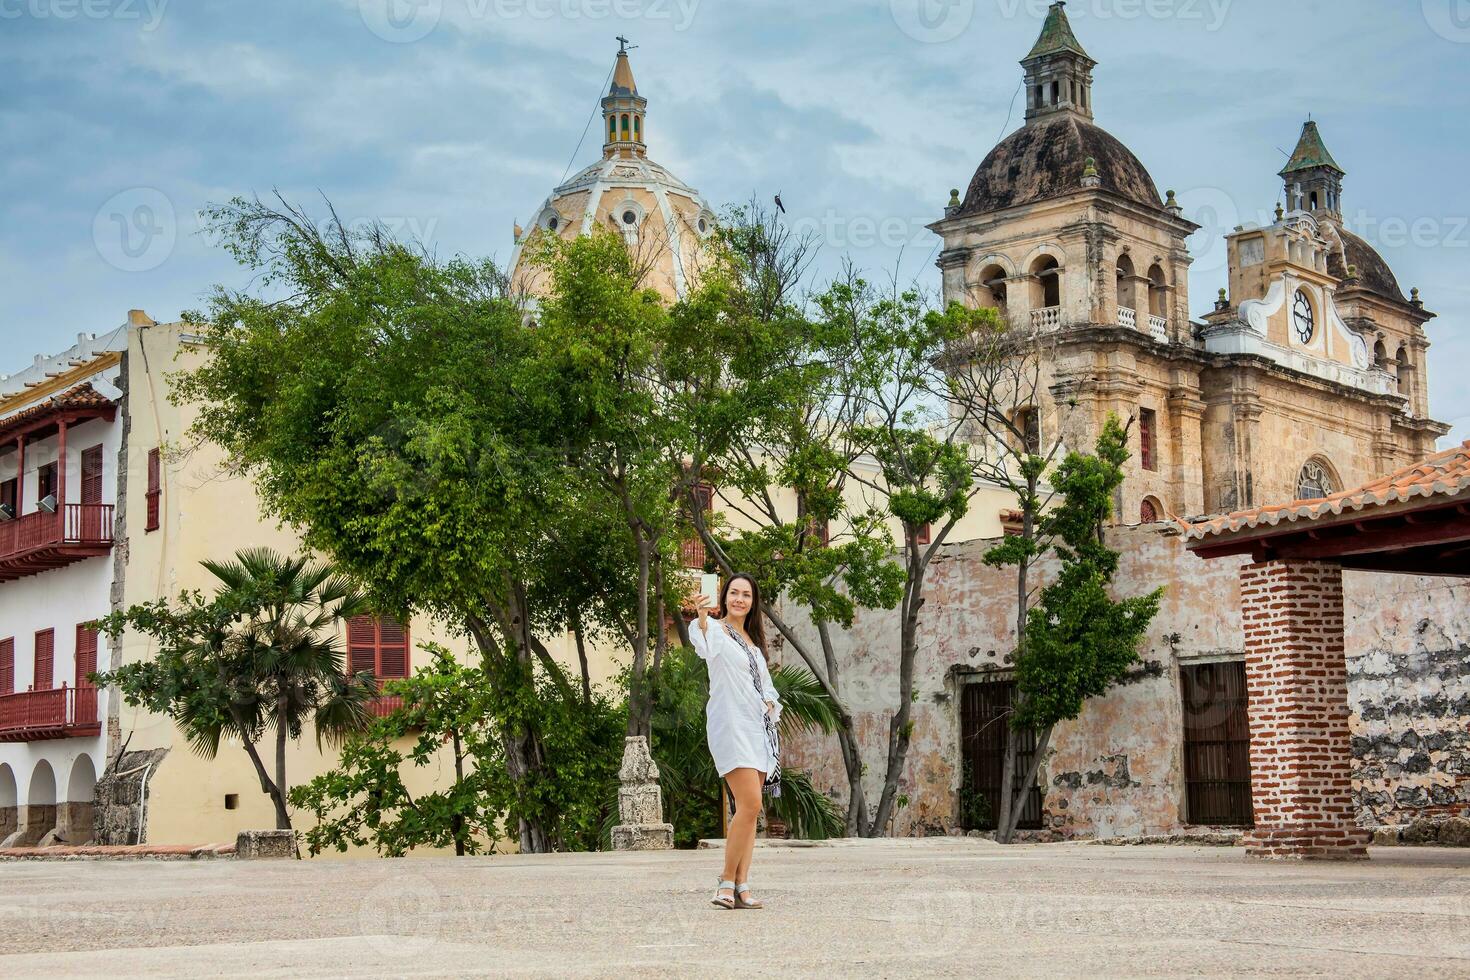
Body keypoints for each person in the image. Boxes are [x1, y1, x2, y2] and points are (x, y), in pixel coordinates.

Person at [685, 573, 782, 910]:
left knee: (748, 810)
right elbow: (706, 648)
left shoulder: (754, 644)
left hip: (758, 728)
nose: (740, 599)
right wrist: (701, 615)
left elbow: (767, 685)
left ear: (753, 602)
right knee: (751, 803)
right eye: (734, 593)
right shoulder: (715, 631)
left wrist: (770, 702)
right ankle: (725, 882)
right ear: (724, 596)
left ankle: (741, 886)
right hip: (730, 726)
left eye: (747, 595)